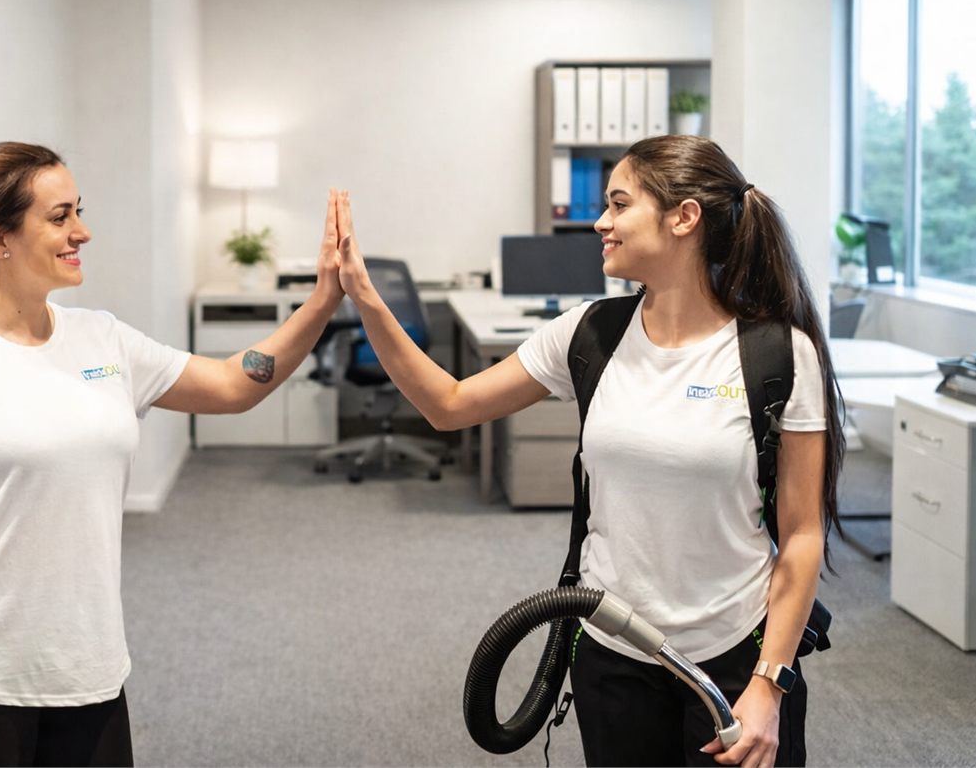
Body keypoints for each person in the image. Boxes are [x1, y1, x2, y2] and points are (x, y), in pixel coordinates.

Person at [333, 135, 842, 768]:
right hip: (612, 647)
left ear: (684, 217)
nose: (600, 221)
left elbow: (800, 537)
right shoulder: (588, 332)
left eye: (619, 204)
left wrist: (770, 684)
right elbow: (450, 404)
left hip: (735, 651)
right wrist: (363, 293)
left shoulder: (778, 353)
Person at [0, 141, 347, 768]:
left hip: (89, 671)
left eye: (78, 213)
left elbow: (233, 384)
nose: (81, 232)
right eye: (60, 217)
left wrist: (320, 303)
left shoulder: (102, 338)